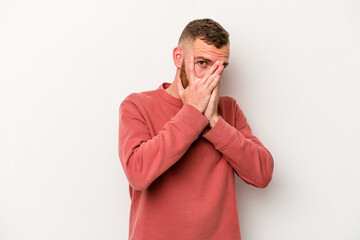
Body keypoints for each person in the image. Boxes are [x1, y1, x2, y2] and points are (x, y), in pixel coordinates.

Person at [118, 18, 274, 240]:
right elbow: (138, 173)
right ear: (178, 57)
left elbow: (262, 174)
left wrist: (215, 122)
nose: (213, 77)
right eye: (203, 63)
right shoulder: (137, 106)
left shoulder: (228, 109)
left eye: (220, 68)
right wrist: (191, 112)